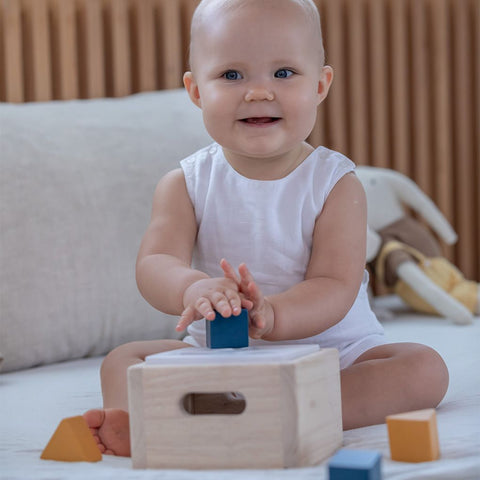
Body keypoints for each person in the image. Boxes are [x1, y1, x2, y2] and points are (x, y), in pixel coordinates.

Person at [83, 0, 449, 457]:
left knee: (422, 369)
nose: (258, 92)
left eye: (283, 73)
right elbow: (155, 263)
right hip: (220, 356)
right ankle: (139, 423)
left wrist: (274, 314)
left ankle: (295, 409)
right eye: (232, 75)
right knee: (124, 359)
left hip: (330, 356)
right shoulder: (185, 183)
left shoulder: (336, 183)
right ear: (196, 91)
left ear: (320, 85)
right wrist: (194, 288)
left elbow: (334, 284)